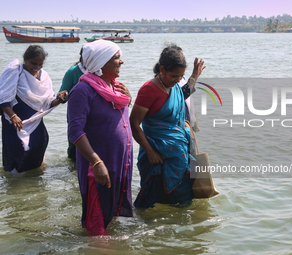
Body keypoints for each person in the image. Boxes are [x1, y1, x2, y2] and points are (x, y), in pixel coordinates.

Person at [68, 40, 133, 235]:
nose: (121, 62)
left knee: (108, 218)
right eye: (116, 57)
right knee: (96, 226)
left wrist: (129, 98)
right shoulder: (82, 91)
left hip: (117, 163)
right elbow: (75, 132)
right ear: (100, 62)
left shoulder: (115, 88)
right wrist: (96, 162)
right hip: (97, 167)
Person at [130, 46, 203, 209]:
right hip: (158, 158)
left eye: (181, 76)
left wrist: (194, 77)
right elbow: (134, 124)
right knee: (151, 202)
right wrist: (150, 152)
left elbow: (181, 94)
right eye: (174, 76)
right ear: (162, 70)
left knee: (182, 203)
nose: (178, 80)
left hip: (179, 157)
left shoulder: (173, 86)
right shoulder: (149, 89)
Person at [0, 45, 67, 174]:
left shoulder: (44, 77)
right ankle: (15, 190)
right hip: (15, 125)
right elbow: (3, 97)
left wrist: (59, 99)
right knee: (15, 159)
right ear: (25, 59)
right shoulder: (15, 71)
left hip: (36, 125)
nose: (36, 67)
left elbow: (48, 103)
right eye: (33, 63)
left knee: (36, 158)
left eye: (40, 64)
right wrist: (13, 116)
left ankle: (34, 188)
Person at [59, 47, 86, 161]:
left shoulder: (103, 70)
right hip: (76, 119)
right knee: (74, 152)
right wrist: (62, 94)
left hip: (96, 119)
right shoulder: (73, 72)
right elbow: (63, 93)